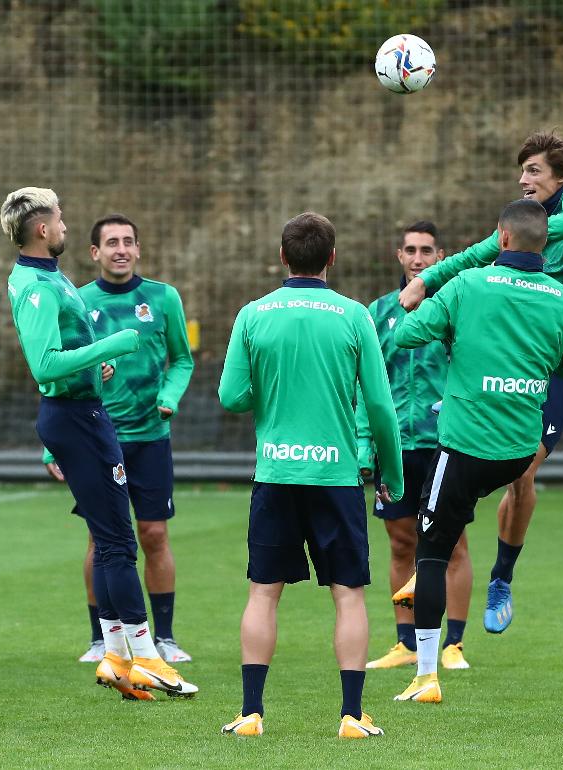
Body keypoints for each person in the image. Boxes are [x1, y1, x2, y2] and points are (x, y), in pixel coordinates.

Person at [392, 199, 563, 705]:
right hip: (517, 454)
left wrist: (448, 329)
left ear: (502, 237)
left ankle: (425, 676)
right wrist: (538, 363)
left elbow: (406, 334)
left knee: (430, 554)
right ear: (546, 243)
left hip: (465, 447)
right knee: (466, 517)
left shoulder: (468, 285)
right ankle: (489, 580)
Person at [1, 187, 197, 702]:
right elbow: (45, 366)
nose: (65, 225)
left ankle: (115, 656)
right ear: (42, 228)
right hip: (78, 421)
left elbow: (66, 354)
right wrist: (112, 345)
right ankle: (146, 657)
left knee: (118, 540)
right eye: (60, 218)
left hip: (84, 414)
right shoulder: (38, 286)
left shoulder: (46, 276)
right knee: (116, 543)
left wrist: (93, 365)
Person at [218, 212, 402, 738]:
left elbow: (231, 397)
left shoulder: (253, 314)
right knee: (348, 595)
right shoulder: (354, 316)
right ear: (331, 258)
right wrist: (391, 473)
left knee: (262, 593)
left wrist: (269, 391)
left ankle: (251, 713)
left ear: (283, 256)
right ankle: (351, 716)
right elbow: (380, 406)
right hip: (335, 478)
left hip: (276, 473)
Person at [44, 214, 195, 663]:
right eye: (112, 242)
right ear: (95, 252)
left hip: (150, 437)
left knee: (154, 534)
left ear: (138, 248)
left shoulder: (163, 297)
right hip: (95, 435)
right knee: (100, 538)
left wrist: (169, 397)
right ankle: (101, 639)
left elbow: (182, 360)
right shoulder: (76, 301)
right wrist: (53, 446)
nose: (121, 249)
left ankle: (165, 637)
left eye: (128, 241)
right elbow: (59, 370)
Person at [356, 221, 474, 672]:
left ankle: (454, 643)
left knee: (453, 542)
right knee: (401, 541)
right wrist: (365, 442)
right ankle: (405, 643)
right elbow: (365, 382)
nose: (418, 258)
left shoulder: (455, 307)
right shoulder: (378, 313)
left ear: (440, 256)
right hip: (395, 446)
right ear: (399, 256)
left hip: (446, 441)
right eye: (411, 250)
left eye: (427, 250)